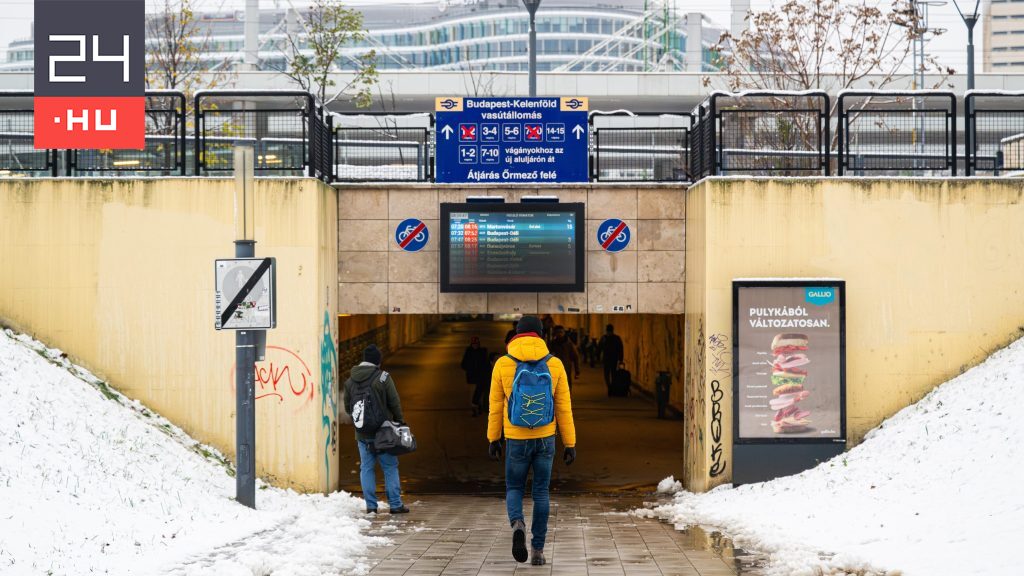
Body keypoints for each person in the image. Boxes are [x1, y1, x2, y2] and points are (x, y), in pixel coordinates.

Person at [487, 315, 576, 566]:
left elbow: (494, 407)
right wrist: (570, 443)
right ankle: (537, 550)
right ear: (541, 335)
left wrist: (494, 438)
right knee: (541, 493)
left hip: (515, 438)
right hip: (545, 438)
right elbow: (564, 407)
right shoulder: (555, 364)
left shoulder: (503, 363)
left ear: (517, 334)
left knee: (514, 488)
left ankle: (517, 524)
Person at [343, 344, 410, 515]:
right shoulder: (383, 378)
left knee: (366, 468)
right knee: (390, 467)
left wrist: (361, 421)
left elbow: (348, 407)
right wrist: (400, 421)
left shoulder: (350, 380)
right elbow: (394, 402)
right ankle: (395, 505)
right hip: (384, 433)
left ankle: (371, 506)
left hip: (362, 434)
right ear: (378, 361)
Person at [460, 336, 490, 416]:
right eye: (474, 344)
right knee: (473, 392)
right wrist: (470, 368)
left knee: (479, 392)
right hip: (472, 376)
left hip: (481, 376)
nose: (475, 345)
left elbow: (486, 363)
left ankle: (478, 406)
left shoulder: (482, 351)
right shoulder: (469, 352)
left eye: (476, 344)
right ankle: (474, 408)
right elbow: (463, 364)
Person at [547, 325, 580, 390]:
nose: (559, 334)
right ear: (555, 333)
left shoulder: (569, 344)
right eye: (558, 332)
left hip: (566, 368)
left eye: (561, 332)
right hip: (555, 369)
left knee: (566, 386)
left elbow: (575, 357)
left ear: (564, 333)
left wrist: (577, 371)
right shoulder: (552, 344)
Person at [599, 324, 624, 391]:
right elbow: (620, 349)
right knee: (610, 373)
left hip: (611, 359)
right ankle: (610, 386)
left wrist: (621, 359)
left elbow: (599, 347)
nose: (609, 333)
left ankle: (611, 386)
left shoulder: (604, 338)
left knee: (611, 373)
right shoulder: (616, 338)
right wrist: (620, 358)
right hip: (611, 358)